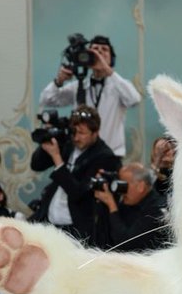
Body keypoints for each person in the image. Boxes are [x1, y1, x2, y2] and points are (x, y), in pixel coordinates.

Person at [28, 105, 119, 246]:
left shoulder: (104, 157)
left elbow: (77, 193)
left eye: (82, 133)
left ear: (96, 133)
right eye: (74, 132)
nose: (76, 138)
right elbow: (36, 165)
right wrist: (46, 139)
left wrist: (57, 157)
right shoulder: (69, 143)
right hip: (49, 222)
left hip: (76, 229)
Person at [39, 36, 141, 156]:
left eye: (104, 49)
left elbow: (134, 100)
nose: (99, 52)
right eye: (95, 49)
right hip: (81, 154)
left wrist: (108, 71)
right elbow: (46, 100)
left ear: (111, 59)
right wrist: (59, 81)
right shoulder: (79, 86)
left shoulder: (118, 85)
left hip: (111, 154)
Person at [95, 163, 170, 253]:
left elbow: (125, 244)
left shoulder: (157, 209)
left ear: (140, 186)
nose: (121, 191)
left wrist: (112, 205)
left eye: (124, 184)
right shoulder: (131, 202)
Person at [150, 135, 176, 202]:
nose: (163, 154)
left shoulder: (179, 170)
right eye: (160, 151)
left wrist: (174, 161)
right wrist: (158, 160)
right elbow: (148, 184)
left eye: (166, 150)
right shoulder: (154, 174)